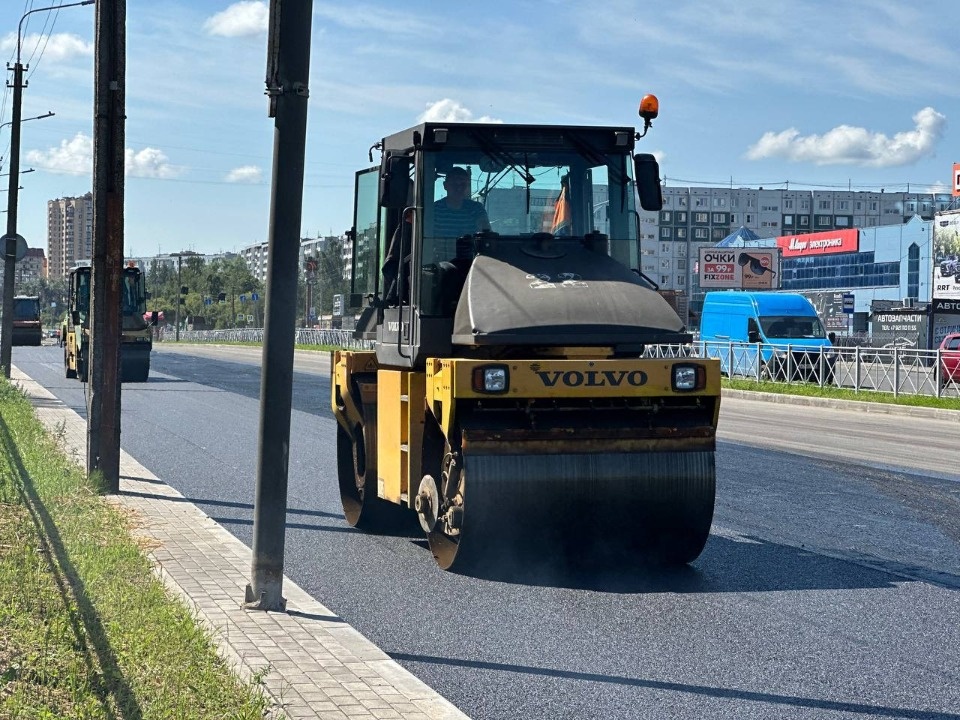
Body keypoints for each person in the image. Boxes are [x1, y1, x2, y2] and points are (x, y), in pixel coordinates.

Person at [432, 167, 490, 249]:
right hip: (440, 259)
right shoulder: (434, 210)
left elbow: (487, 236)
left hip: (472, 260)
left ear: (467, 186)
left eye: (463, 184)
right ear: (445, 185)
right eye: (454, 184)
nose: (459, 188)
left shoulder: (476, 209)